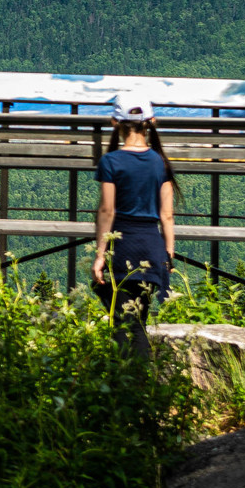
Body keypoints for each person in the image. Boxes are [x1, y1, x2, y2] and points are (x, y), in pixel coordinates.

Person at [91, 95, 176, 341]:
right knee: (138, 318)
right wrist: (168, 251)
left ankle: (135, 376)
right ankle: (136, 375)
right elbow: (166, 215)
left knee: (125, 324)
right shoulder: (160, 162)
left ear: (114, 122)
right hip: (151, 246)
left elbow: (108, 211)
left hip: (122, 246)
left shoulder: (111, 161)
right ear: (151, 121)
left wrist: (100, 254)